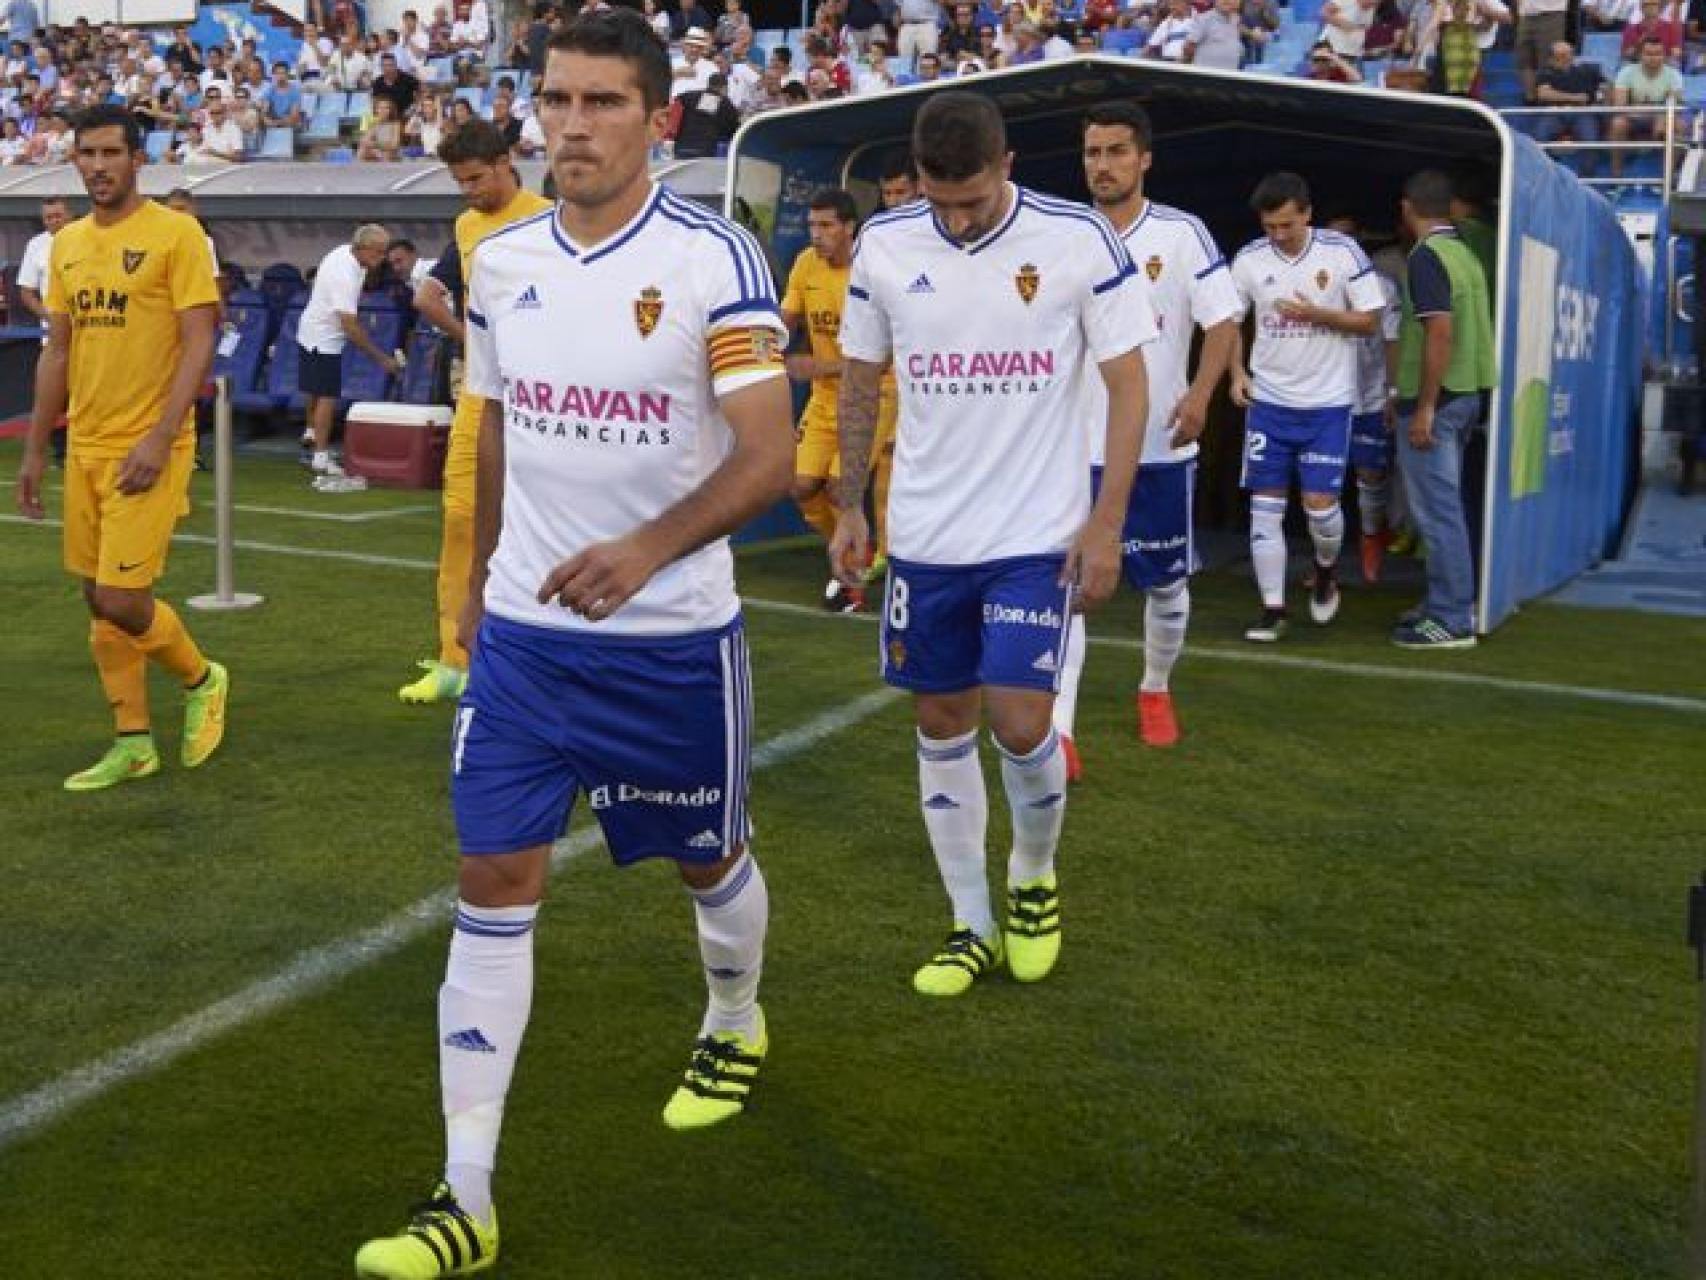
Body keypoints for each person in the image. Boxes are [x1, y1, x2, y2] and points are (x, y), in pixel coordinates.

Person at [354, 13, 794, 1276]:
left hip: (668, 644)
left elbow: (766, 454)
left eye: (602, 102)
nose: (571, 124)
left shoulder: (713, 259)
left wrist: (645, 549)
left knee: (706, 859)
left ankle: (733, 1014)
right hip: (527, 648)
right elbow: (494, 422)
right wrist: (482, 584)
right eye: (556, 99)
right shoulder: (501, 263)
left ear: (658, 117)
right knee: (493, 877)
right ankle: (464, 1195)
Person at [830, 91, 1152, 999]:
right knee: (940, 722)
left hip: (1034, 535)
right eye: (942, 202)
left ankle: (1033, 878)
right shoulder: (886, 243)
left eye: (973, 200)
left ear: (1007, 165)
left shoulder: (1077, 239)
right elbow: (861, 378)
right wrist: (851, 504)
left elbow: (1130, 387)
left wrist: (1106, 521)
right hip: (927, 537)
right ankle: (969, 922)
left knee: (1019, 721)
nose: (959, 219)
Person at [14, 104, 228, 792]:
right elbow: (58, 351)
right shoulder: (67, 244)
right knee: (94, 595)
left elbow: (199, 338)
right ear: (74, 160)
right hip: (85, 443)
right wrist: (34, 449)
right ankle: (133, 741)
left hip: (149, 444)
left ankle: (202, 677)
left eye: (112, 153)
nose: (99, 166)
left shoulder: (177, 233)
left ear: (138, 159)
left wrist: (161, 436)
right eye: (88, 154)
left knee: (122, 597)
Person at [1053, 101, 1238, 766]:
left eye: (1116, 151)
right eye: (1092, 153)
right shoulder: (1062, 236)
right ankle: (1062, 729)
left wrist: (1201, 395)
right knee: (1069, 587)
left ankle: (1155, 688)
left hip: (1159, 445)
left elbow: (1223, 321)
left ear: (1145, 159)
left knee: (1164, 585)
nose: (1102, 165)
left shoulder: (1182, 234)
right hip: (1073, 448)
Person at [397, 119, 550, 706]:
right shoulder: (465, 226)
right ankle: (452, 660)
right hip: (480, 397)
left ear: (507, 162)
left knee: (539, 527)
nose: (470, 191)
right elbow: (434, 296)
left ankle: (534, 657)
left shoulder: (549, 220)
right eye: (460, 181)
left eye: (477, 178)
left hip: (540, 399)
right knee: (461, 520)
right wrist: (473, 341)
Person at [1227, 171, 1384, 642]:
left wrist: (1319, 314)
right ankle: (1272, 609)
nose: (1278, 235)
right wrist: (1237, 373)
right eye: (1269, 226)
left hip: (1327, 404)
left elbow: (1370, 321)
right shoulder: (1249, 260)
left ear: (1307, 214)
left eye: (1287, 225)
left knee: (1319, 507)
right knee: (1265, 506)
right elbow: (1228, 322)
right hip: (1269, 402)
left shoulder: (1342, 253)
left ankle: (1326, 569)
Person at [1390, 169, 1495, 649]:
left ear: (1407, 207)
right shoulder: (1464, 254)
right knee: (1445, 509)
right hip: (1466, 393)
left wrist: (1425, 407)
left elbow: (1439, 333)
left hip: (1438, 399)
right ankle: (1444, 603)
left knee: (1437, 513)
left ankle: (1452, 617)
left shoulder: (1427, 256)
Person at [1327, 215, 1402, 586]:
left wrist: (1392, 392)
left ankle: (1372, 537)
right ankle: (1325, 563)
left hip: (1369, 396)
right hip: (1325, 398)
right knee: (1322, 483)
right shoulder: (1312, 282)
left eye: (1347, 237)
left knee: (1369, 474)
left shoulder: (1382, 286)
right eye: (1333, 238)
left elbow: (1392, 341)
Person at [296, 224, 396, 478]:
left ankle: (310, 433)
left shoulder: (343, 252)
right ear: (362, 248)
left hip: (312, 329)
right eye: (378, 252)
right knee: (327, 395)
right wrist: (381, 358)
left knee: (315, 390)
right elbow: (349, 324)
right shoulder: (345, 275)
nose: (382, 258)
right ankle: (320, 456)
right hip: (324, 337)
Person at [1609, 36, 1683, 178]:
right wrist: (1640, 111)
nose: (1653, 58)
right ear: (1640, 55)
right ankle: (1616, 174)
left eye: (1658, 54)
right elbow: (1620, 105)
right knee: (1618, 124)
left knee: (1678, 125)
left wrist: (1661, 117)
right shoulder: (1626, 72)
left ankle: (1668, 175)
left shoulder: (1674, 75)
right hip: (1632, 116)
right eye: (1648, 54)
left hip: (1660, 116)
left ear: (1664, 56)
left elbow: (1674, 103)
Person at [671, 70, 740, 156]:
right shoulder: (725, 103)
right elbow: (735, 129)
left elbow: (676, 100)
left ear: (708, 84)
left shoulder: (689, 96)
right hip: (704, 151)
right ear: (724, 87)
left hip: (681, 147)